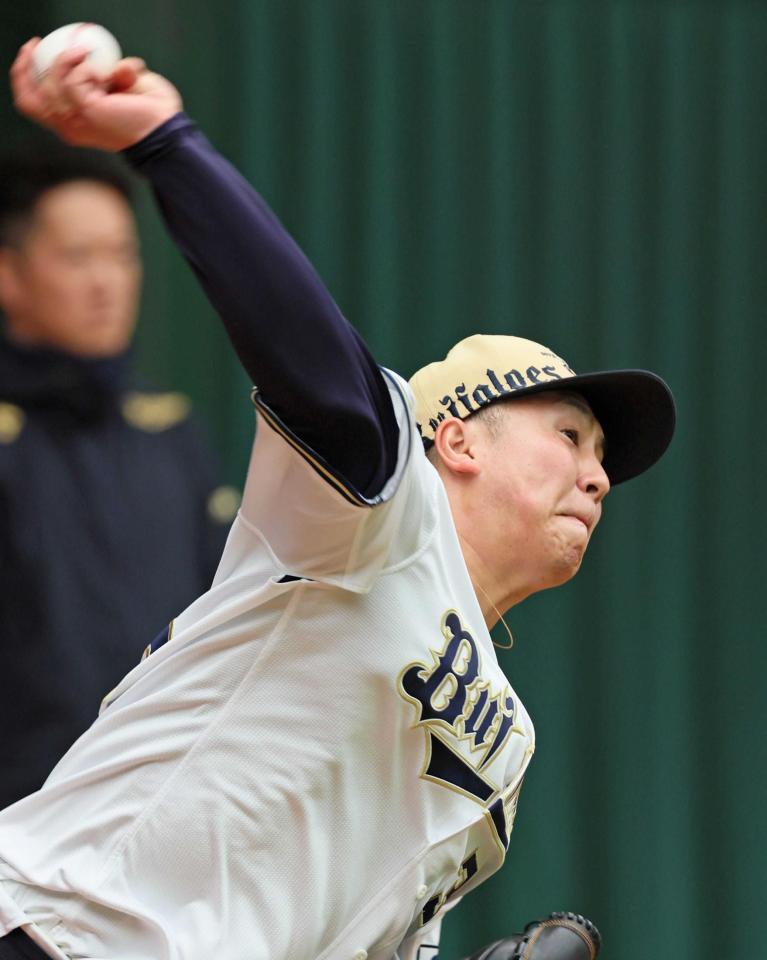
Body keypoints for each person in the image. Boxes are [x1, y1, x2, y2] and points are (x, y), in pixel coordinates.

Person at [0, 39, 674, 960]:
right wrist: (166, 141)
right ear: (458, 439)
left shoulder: (507, 746)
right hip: (57, 932)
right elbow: (307, 347)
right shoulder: (385, 516)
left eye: (602, 459)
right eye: (567, 436)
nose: (597, 476)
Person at [0, 135, 237, 809]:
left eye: (123, 255)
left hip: (163, 830)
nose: (106, 282)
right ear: (9, 275)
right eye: (77, 257)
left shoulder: (171, 439)